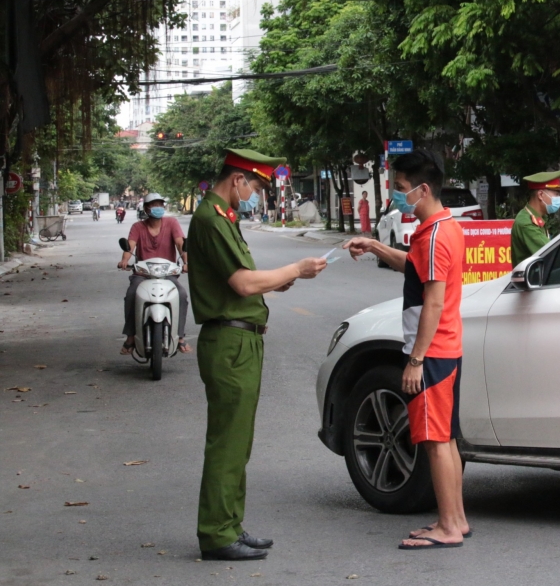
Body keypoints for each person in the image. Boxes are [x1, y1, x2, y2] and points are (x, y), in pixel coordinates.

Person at [187, 148, 328, 561]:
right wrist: (295, 270)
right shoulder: (211, 219)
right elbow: (244, 284)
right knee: (227, 443)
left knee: (239, 442)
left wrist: (278, 281)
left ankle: (230, 524)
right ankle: (216, 534)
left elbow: (244, 282)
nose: (256, 195)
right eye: (256, 186)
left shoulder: (224, 218)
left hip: (241, 341)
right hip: (229, 343)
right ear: (237, 180)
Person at [343, 150, 469, 550]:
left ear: (423, 189)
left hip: (432, 354)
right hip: (445, 348)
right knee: (444, 439)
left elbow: (432, 301)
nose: (397, 197)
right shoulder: (443, 228)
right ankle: (457, 519)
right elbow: (415, 267)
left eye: (400, 190)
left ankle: (447, 527)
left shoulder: (433, 237)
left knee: (433, 442)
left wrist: (415, 359)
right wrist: (376, 247)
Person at [117, 193, 191, 355]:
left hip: (168, 274)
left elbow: (180, 243)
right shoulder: (138, 227)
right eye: (153, 205)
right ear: (146, 208)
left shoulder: (172, 223)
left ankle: (180, 336)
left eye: (160, 205)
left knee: (182, 295)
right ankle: (130, 337)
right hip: (143, 274)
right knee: (131, 294)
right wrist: (124, 260)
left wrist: (186, 262)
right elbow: (130, 246)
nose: (158, 208)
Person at [510, 169, 560, 267]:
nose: (559, 198)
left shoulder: (537, 217)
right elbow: (551, 254)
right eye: (556, 194)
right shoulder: (527, 223)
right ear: (541, 195)